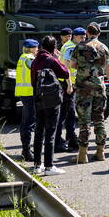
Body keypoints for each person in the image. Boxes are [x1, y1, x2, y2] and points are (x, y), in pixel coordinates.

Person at [69, 23, 109, 163]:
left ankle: (82, 155)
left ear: (87, 32)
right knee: (99, 119)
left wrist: (84, 68)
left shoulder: (80, 46)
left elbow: (72, 65)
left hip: (83, 88)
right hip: (99, 87)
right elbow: (105, 66)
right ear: (99, 33)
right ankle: (100, 152)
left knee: (84, 121)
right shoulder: (104, 48)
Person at [30, 35, 71, 175]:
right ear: (54, 48)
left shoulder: (35, 61)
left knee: (38, 132)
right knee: (50, 133)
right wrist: (57, 59)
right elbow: (65, 73)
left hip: (38, 99)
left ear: (42, 46)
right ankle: (49, 166)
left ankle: (37, 165)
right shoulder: (52, 60)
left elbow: (32, 81)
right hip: (52, 100)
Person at [56, 27, 82, 153]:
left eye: (84, 37)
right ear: (75, 37)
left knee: (66, 113)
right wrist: (70, 85)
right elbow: (66, 67)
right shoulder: (71, 47)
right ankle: (67, 140)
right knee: (67, 113)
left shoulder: (67, 45)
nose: (83, 39)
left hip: (66, 83)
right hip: (67, 84)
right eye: (81, 37)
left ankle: (66, 139)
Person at [15, 39, 39, 161]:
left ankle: (26, 149)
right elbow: (37, 70)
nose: (37, 50)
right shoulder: (29, 58)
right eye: (36, 48)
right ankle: (26, 151)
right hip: (29, 93)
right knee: (29, 123)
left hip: (24, 93)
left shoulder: (22, 57)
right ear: (31, 48)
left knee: (26, 122)